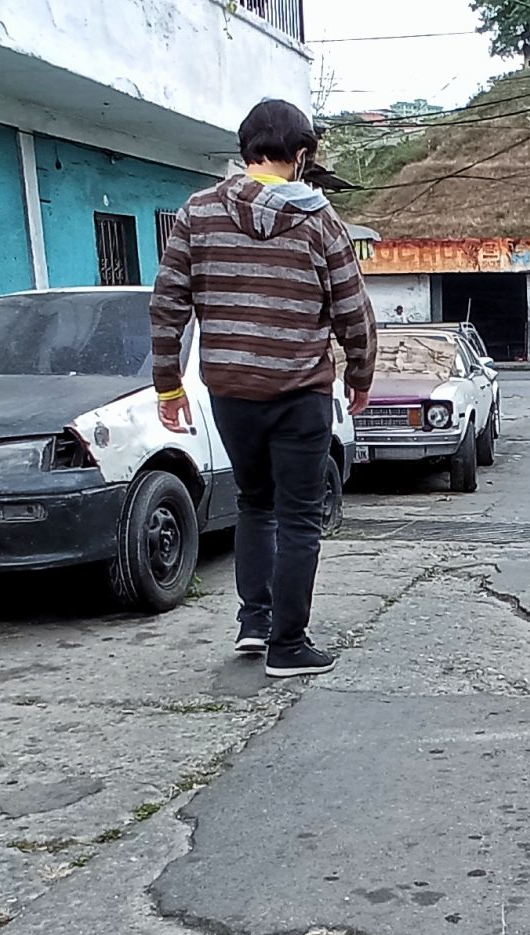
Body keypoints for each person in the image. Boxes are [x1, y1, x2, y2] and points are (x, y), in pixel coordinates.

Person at [151, 99, 375, 678]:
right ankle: (288, 646)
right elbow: (352, 308)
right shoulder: (320, 221)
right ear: (301, 157)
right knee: (299, 518)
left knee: (256, 503)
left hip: (231, 393)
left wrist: (169, 387)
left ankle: (255, 624)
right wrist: (360, 376)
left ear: (246, 150)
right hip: (299, 390)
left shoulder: (196, 213)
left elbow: (169, 303)